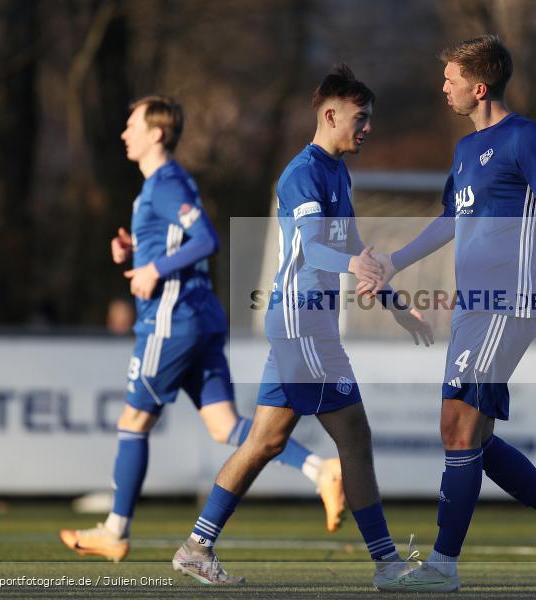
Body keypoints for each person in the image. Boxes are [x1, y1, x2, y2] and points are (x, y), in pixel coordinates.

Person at [365, 36, 536, 594]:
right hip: (471, 309)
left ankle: (442, 566)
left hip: (505, 306)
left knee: (456, 427)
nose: (443, 86)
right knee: (473, 438)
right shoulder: (465, 152)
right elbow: (449, 221)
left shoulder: (525, 138)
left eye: (450, 78)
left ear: (478, 87)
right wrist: (392, 261)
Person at [169, 65, 433, 587]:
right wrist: (353, 267)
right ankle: (387, 565)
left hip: (302, 322)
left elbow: (355, 246)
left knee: (265, 441)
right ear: (330, 114)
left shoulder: (337, 172)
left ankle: (196, 546)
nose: (368, 128)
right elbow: (313, 247)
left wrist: (398, 304)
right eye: (361, 117)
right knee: (354, 436)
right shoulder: (302, 174)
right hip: (301, 322)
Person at [59, 95, 345, 564]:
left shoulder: (166, 183)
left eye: (131, 125)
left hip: (172, 321)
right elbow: (177, 241)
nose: (123, 133)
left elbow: (206, 239)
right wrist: (135, 253)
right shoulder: (162, 185)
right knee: (225, 425)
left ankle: (115, 530)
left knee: (133, 421)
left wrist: (154, 271)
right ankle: (320, 469)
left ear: (156, 133)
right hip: (200, 318)